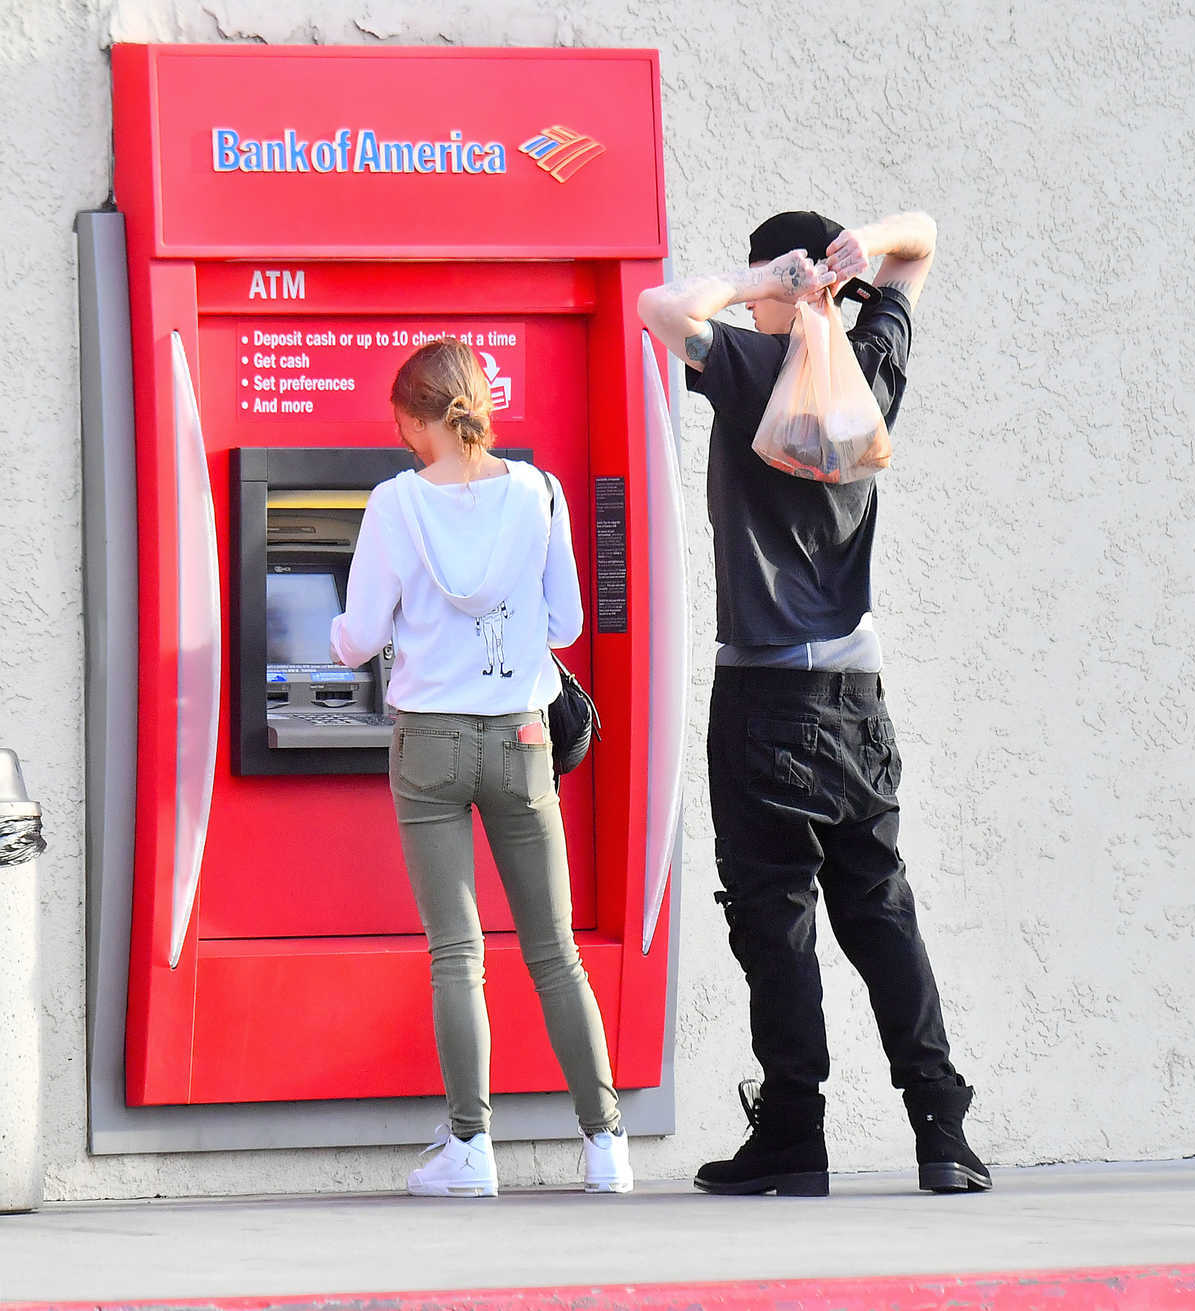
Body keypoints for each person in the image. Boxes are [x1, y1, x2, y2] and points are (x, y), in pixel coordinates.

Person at [637, 210, 991, 1197]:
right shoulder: (868, 367)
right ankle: (941, 1130)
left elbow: (655, 307)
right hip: (855, 693)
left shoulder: (752, 369)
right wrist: (854, 254)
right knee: (877, 905)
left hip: (760, 692)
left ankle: (795, 1133)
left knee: (774, 915)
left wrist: (756, 280)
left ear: (774, 283)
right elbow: (920, 241)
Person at [329, 338, 633, 1197]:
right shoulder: (539, 493)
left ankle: (471, 1148)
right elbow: (568, 622)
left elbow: (358, 633)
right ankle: (605, 1143)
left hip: (428, 742)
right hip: (522, 739)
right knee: (555, 950)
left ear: (413, 416)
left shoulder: (395, 505)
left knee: (457, 951)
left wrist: (339, 641)